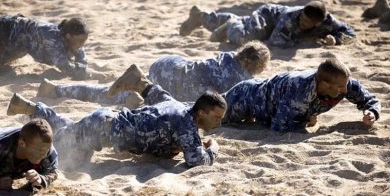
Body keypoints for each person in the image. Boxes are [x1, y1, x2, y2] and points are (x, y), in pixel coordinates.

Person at [7, 64, 227, 167]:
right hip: (102, 130)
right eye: (216, 117)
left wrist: (143, 85)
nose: (219, 122)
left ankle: (28, 107)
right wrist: (213, 149)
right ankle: (31, 110)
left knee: (71, 130)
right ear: (201, 112)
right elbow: (195, 160)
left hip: (105, 123)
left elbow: (157, 94)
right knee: (59, 146)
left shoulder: (178, 107)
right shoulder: (186, 123)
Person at [37, 41, 270, 104]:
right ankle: (56, 89)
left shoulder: (227, 56)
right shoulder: (240, 78)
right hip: (175, 87)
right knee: (112, 97)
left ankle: (56, 89)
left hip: (167, 64)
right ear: (255, 66)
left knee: (109, 93)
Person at [221, 58, 380, 132]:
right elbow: (279, 126)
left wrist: (372, 112)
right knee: (208, 114)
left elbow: (369, 99)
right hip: (245, 97)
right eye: (340, 87)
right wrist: (304, 120)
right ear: (324, 84)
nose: (345, 90)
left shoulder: (343, 83)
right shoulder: (300, 90)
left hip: (266, 104)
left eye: (345, 85)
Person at [180, 0, 355, 48]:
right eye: (303, 18)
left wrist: (336, 39)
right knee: (248, 37)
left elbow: (350, 34)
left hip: (272, 27)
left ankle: (201, 17)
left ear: (320, 22)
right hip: (268, 16)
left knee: (246, 27)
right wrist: (308, 39)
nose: (303, 22)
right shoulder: (290, 16)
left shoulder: (327, 20)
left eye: (309, 23)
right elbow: (277, 42)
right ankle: (230, 23)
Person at [0, 14, 89, 79]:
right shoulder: (52, 38)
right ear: (68, 36)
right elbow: (65, 66)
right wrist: (81, 71)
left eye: (84, 40)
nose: (82, 44)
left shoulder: (73, 40)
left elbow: (82, 60)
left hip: (15, 42)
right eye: (80, 40)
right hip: (6, 31)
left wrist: (82, 69)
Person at [0, 119, 58, 191]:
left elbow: (52, 173)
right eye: (39, 150)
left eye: (46, 150)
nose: (43, 155)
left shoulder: (47, 149)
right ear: (22, 143)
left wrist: (40, 179)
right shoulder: (2, 145)